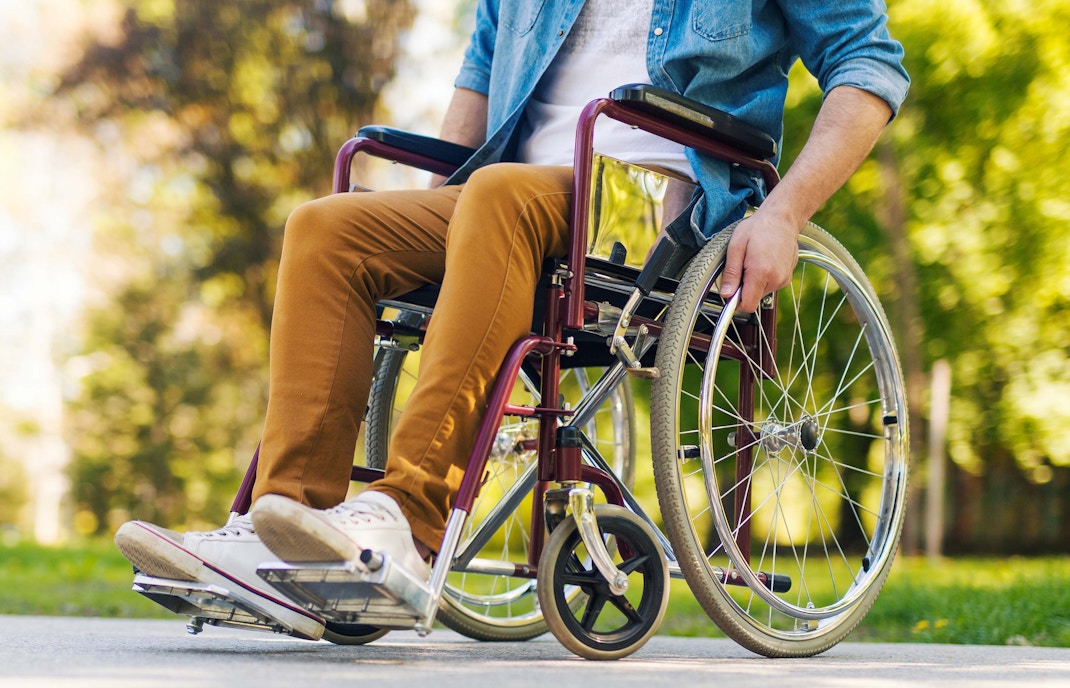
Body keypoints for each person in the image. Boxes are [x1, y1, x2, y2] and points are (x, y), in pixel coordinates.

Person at [115, 0, 909, 636]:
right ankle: (281, 528)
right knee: (326, 229)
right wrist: (425, 224)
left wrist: (785, 212)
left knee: (498, 194)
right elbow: (475, 92)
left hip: (657, 210)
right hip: (506, 202)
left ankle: (406, 515)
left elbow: (869, 67)